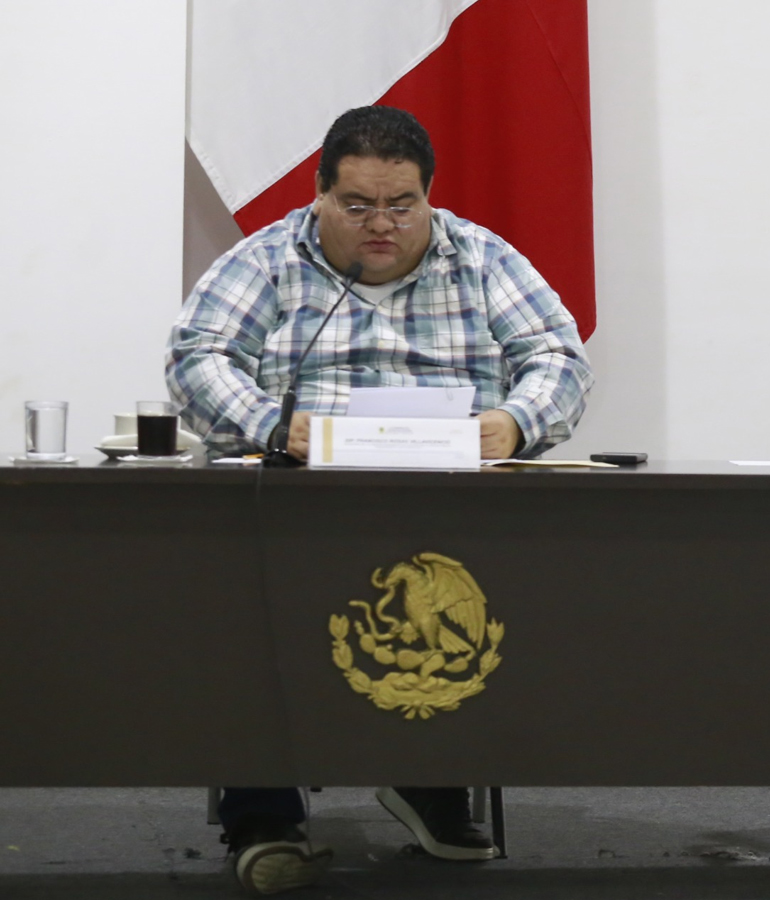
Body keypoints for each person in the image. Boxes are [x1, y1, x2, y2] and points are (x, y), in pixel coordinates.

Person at [167, 106, 593, 894]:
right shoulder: (270, 259)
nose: (382, 225)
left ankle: (430, 776)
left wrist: (516, 422)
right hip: (298, 499)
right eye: (358, 205)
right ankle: (263, 812)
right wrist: (271, 424)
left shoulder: (481, 258)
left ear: (429, 196)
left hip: (452, 500)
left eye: (402, 205)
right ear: (320, 194)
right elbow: (199, 358)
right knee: (245, 581)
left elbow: (558, 358)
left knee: (477, 586)